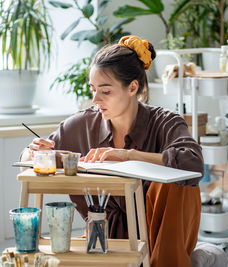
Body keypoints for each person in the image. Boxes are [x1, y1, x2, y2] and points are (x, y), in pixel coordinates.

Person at [20, 35, 204, 267]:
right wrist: (35, 151)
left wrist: (129, 156)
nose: (95, 99)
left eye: (105, 91)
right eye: (93, 89)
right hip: (105, 238)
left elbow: (194, 164)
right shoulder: (81, 125)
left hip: (162, 237)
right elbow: (26, 158)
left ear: (133, 87)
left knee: (175, 181)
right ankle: (201, 260)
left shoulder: (165, 122)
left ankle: (185, 259)